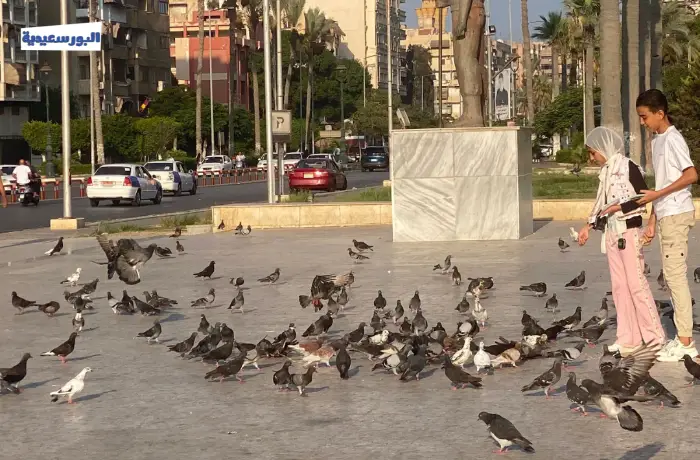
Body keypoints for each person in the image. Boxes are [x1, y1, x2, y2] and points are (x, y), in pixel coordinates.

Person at [577, 126, 665, 356]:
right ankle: (628, 338)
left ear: (603, 148)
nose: (592, 158)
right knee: (619, 288)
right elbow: (601, 202)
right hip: (611, 234)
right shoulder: (605, 172)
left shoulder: (628, 167)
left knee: (637, 285)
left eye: (593, 152)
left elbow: (643, 197)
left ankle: (655, 338)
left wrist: (620, 207)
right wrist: (588, 226)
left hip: (629, 232)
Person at [635, 89, 699, 362]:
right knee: (671, 279)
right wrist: (652, 220)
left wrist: (657, 196)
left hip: (677, 214)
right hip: (665, 215)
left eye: (645, 117)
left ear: (660, 113)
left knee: (675, 278)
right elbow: (662, 183)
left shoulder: (673, 139)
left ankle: (686, 343)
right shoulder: (658, 140)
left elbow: (691, 175)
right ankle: (682, 338)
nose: (643, 122)